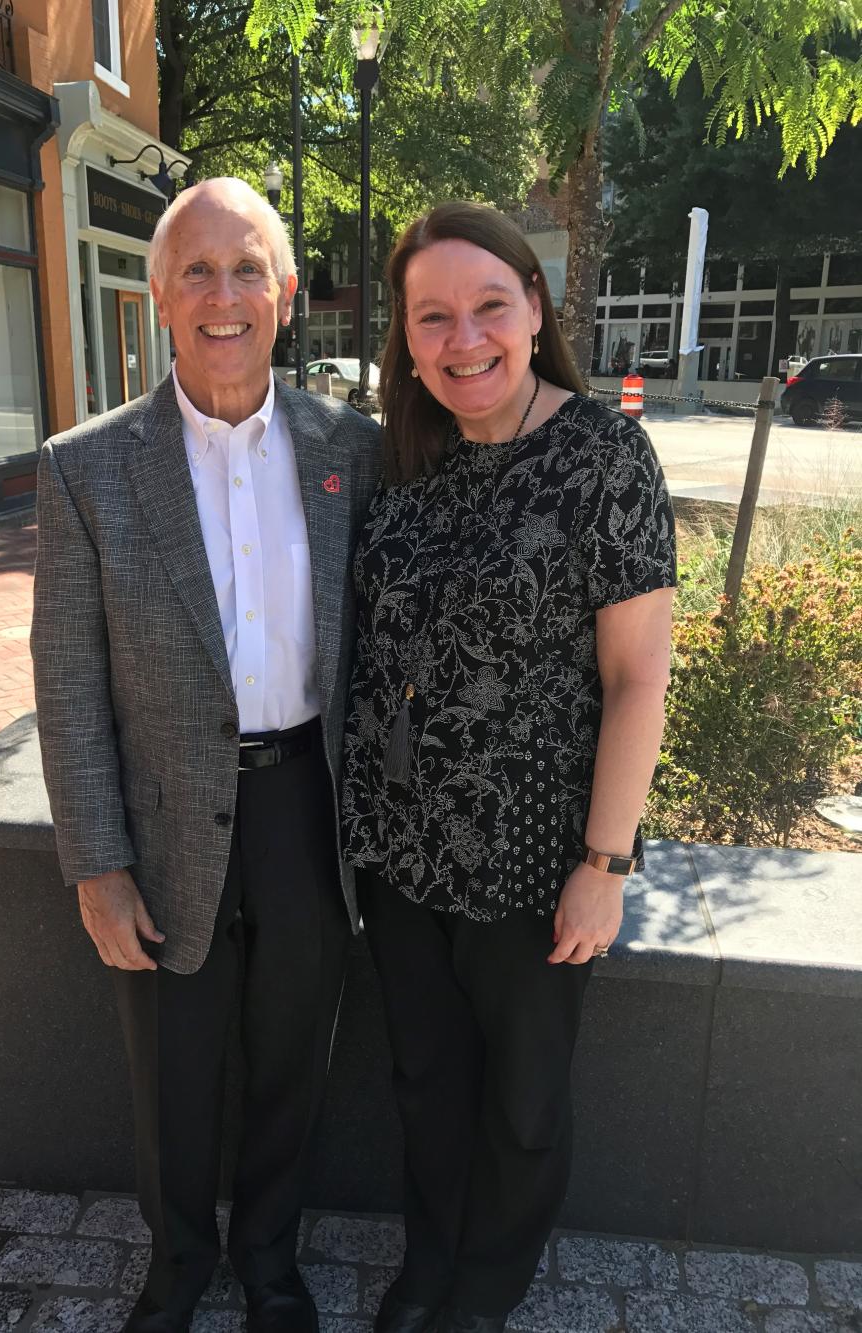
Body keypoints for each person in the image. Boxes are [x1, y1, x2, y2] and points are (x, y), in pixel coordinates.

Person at [30, 177, 381, 1333]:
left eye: (247, 271)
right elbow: (69, 674)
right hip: (166, 814)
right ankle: (177, 1269)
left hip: (307, 811)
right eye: (197, 271)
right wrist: (97, 862)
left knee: (292, 1061)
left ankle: (270, 1263)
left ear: (285, 295)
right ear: (157, 298)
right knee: (173, 1073)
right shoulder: (85, 467)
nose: (222, 296)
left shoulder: (354, 452)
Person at [340, 202, 676, 1333]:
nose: (463, 335)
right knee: (426, 1088)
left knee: (522, 1103)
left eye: (489, 304)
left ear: (536, 308)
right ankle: (429, 1265)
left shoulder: (602, 456)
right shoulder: (403, 458)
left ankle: (483, 1294)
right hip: (399, 854)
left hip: (535, 860)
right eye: (432, 315)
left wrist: (605, 861)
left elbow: (636, 678)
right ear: (407, 336)